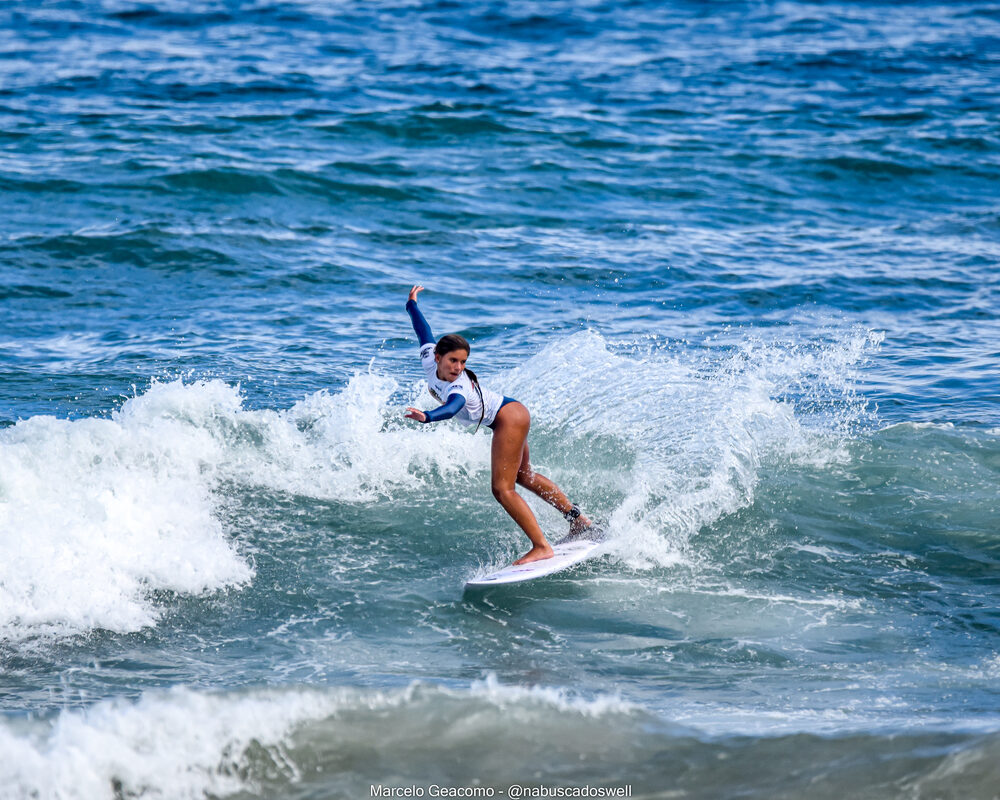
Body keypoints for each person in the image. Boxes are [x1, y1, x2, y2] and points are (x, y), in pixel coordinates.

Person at [403, 285, 594, 565]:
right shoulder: (428, 359)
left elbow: (453, 406)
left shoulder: (459, 386)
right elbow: (423, 332)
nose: (458, 367)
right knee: (524, 476)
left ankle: (542, 546)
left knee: (502, 489)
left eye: (463, 362)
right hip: (513, 412)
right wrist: (411, 304)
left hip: (508, 418)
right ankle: (580, 522)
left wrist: (429, 416)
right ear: (437, 357)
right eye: (453, 360)